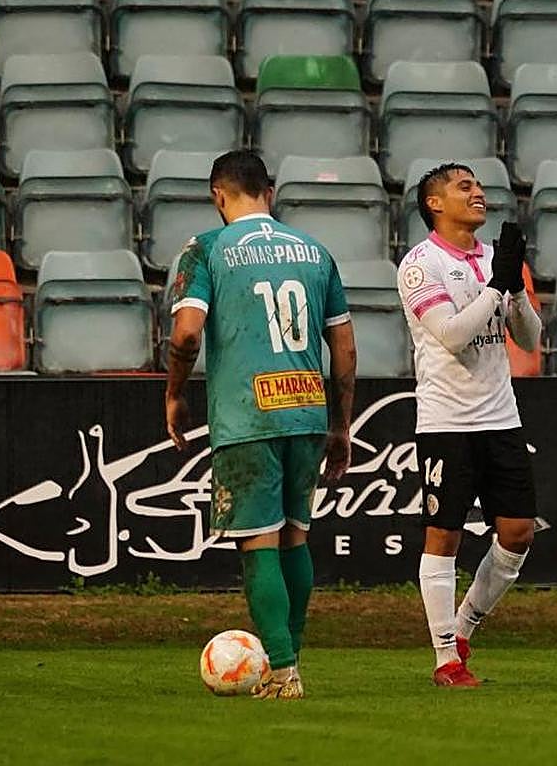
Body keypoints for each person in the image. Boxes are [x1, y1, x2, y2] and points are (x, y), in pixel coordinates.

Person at [165, 150, 357, 700]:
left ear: (217, 196)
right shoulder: (315, 252)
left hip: (248, 416)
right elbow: (342, 344)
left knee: (257, 543)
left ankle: (282, 668)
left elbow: (185, 336)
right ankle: (288, 662)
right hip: (306, 411)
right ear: (269, 193)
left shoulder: (206, 249)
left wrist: (176, 393)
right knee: (296, 536)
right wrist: (340, 425)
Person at [398, 163, 543, 688]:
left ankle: (463, 627)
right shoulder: (420, 265)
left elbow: (528, 339)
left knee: (518, 533)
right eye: (464, 187)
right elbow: (453, 335)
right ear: (434, 203)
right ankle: (445, 659)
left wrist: (516, 289)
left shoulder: (493, 260)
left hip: (501, 417)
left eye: (478, 185)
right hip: (447, 423)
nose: (478, 192)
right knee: (444, 539)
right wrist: (494, 288)